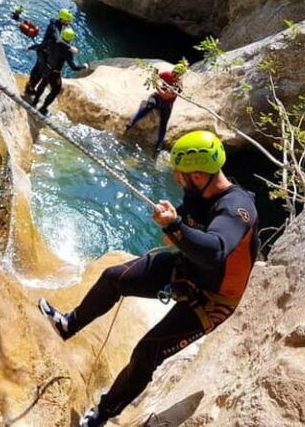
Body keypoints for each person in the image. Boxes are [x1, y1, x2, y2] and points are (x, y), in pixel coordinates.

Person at [38, 130, 260, 427]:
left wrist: (177, 226)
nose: (177, 179)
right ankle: (69, 325)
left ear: (197, 175)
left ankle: (102, 414)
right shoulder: (199, 193)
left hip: (211, 301)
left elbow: (215, 251)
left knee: (146, 353)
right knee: (115, 277)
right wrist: (172, 223)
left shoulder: (236, 210)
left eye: (180, 175)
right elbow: (177, 240)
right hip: (186, 269)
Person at [126, 61, 187, 151]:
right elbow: (154, 79)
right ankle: (132, 122)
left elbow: (166, 96)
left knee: (164, 122)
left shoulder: (178, 86)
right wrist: (156, 80)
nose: (173, 74)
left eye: (176, 74)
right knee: (148, 106)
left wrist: (162, 91)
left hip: (167, 102)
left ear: (179, 76)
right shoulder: (167, 74)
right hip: (157, 96)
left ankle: (159, 143)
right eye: (174, 72)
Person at [27, 27, 89, 116]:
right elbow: (74, 67)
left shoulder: (51, 42)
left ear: (62, 35)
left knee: (43, 83)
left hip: (46, 67)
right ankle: (43, 108)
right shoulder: (68, 52)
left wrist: (29, 48)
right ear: (71, 39)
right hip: (55, 73)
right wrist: (84, 66)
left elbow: (39, 46)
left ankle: (35, 101)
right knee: (55, 90)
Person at [24, 8, 74, 98]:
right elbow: (58, 40)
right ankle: (30, 88)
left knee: (41, 69)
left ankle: (33, 86)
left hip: (46, 50)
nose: (69, 22)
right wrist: (70, 47)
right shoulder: (54, 27)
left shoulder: (58, 25)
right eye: (68, 20)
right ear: (62, 19)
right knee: (38, 70)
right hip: (43, 51)